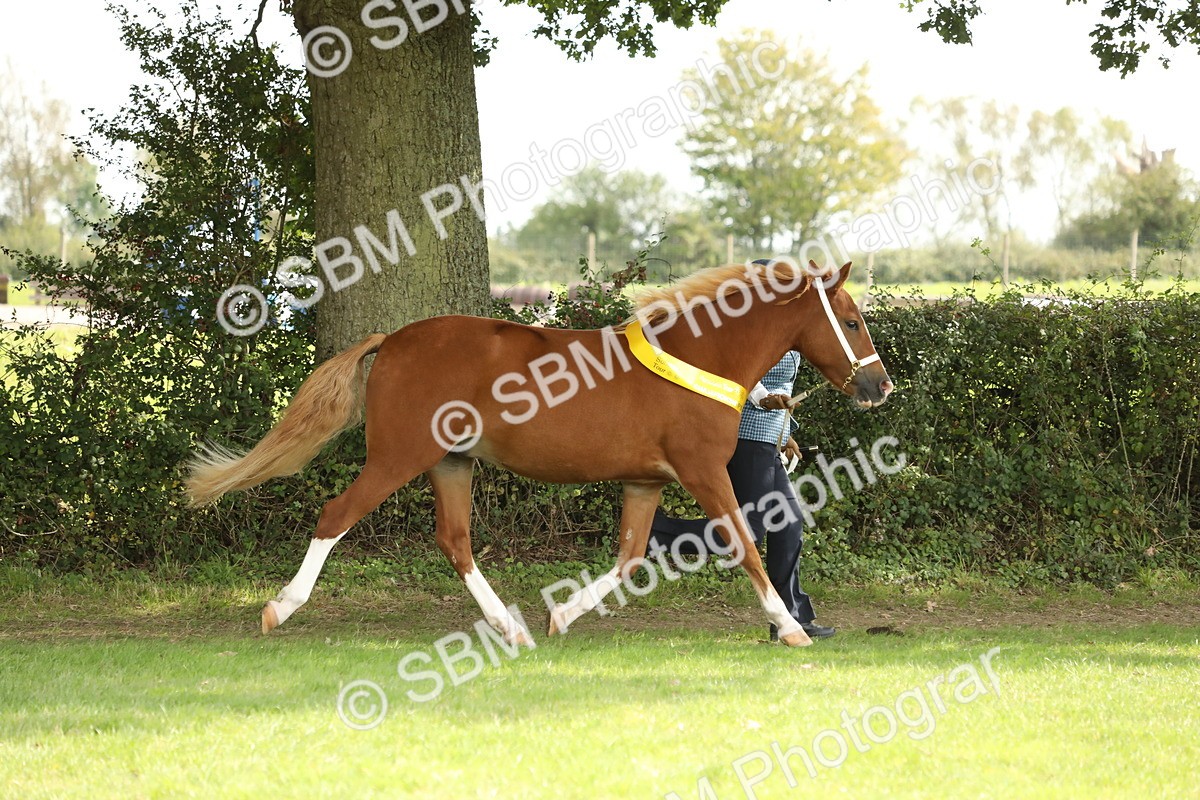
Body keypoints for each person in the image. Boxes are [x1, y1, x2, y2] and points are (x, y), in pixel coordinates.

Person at [647, 349, 835, 640]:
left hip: (768, 438)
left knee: (788, 523)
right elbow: (736, 364)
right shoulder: (761, 317)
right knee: (746, 532)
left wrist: (784, 436)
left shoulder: (791, 325)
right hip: (746, 437)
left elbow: (779, 385)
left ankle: (791, 618)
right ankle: (654, 533)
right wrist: (763, 398)